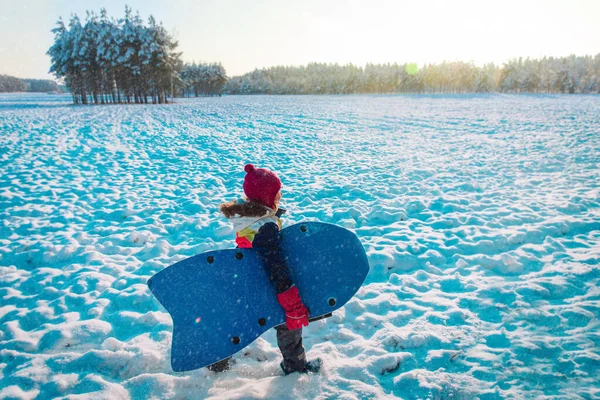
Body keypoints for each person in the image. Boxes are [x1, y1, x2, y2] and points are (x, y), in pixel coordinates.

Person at [207, 164, 321, 375]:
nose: (280, 197)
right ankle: (296, 368)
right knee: (289, 324)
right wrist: (290, 299)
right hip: (268, 283)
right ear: (269, 197)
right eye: (277, 194)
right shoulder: (265, 226)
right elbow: (274, 263)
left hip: (248, 280)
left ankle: (216, 364)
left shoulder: (248, 219)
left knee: (239, 322)